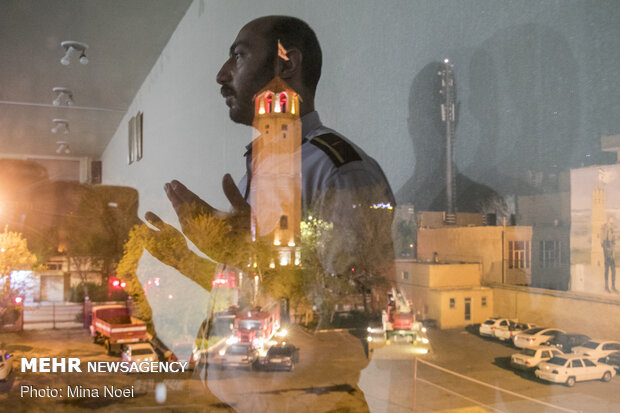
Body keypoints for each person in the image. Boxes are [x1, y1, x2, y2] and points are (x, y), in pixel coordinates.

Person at [601, 217, 617, 293]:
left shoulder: (612, 228)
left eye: (613, 220)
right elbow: (603, 242)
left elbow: (614, 242)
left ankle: (613, 286)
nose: (612, 221)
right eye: (611, 219)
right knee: (607, 269)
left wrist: (613, 252)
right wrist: (607, 252)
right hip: (607, 251)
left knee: (613, 269)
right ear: (609, 220)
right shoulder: (605, 228)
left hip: (612, 251)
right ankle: (606, 287)